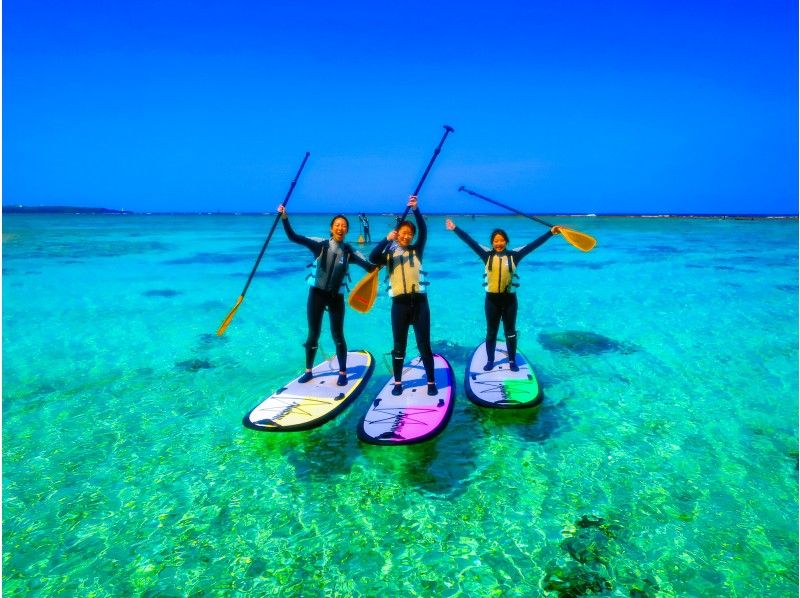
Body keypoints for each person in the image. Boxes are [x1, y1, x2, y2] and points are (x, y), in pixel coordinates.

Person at [445, 218, 561, 371]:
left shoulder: (514, 256)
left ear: (506, 241)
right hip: (491, 301)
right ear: (492, 243)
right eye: (495, 241)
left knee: (510, 332)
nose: (498, 244)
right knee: (491, 332)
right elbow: (470, 241)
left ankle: (512, 361)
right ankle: (490, 361)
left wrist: (550, 233)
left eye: (501, 241)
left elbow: (533, 245)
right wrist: (455, 228)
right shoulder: (486, 255)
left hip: (509, 301)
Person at [279, 206, 374, 385]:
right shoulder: (320, 245)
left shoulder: (349, 252)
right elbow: (294, 237)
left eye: (343, 226)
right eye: (337, 225)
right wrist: (284, 217)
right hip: (316, 295)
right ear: (332, 228)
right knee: (313, 334)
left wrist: (389, 243)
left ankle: (343, 372)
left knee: (338, 335)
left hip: (336, 298)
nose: (340, 228)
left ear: (346, 230)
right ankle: (308, 371)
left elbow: (370, 267)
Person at [369, 196, 437, 396]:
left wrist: (416, 209)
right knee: (399, 346)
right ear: (397, 234)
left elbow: (424, 231)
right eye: (403, 233)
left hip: (420, 304)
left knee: (424, 343)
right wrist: (386, 240)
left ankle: (431, 381)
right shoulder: (389, 255)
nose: (407, 236)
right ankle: (398, 382)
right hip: (399, 305)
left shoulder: (417, 250)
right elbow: (373, 257)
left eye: (410, 234)